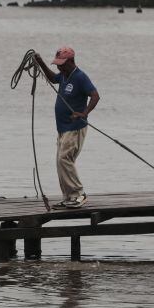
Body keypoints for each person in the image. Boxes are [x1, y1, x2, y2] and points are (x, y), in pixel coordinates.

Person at [32, 47, 100, 208]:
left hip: (75, 127)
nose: (59, 67)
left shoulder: (80, 77)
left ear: (71, 61)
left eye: (62, 64)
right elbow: (52, 78)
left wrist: (84, 113)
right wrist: (40, 61)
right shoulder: (63, 75)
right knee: (60, 161)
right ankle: (69, 196)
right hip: (62, 128)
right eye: (58, 64)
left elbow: (95, 96)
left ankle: (79, 194)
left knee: (65, 159)